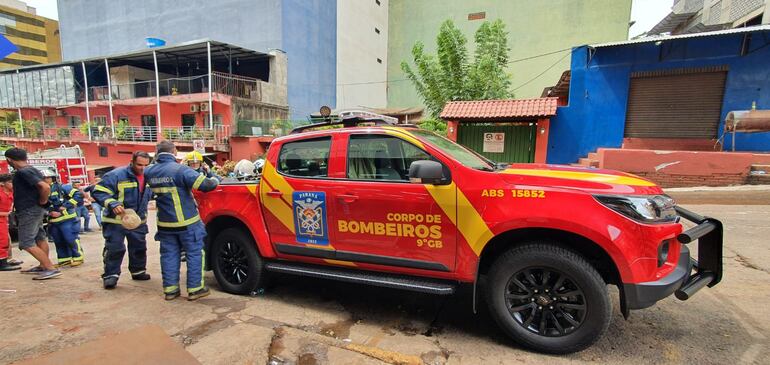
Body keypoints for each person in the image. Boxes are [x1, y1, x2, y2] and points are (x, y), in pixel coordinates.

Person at [145, 141, 218, 300]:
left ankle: (170, 290)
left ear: (157, 153)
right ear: (175, 151)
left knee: (169, 255)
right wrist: (215, 179)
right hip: (187, 223)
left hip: (165, 224)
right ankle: (195, 289)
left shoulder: (149, 172)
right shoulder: (180, 170)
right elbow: (205, 185)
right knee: (194, 254)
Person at [92, 151, 153, 289]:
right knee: (115, 248)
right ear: (131, 162)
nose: (142, 168)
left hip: (138, 221)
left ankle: (138, 271)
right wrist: (112, 203)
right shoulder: (116, 175)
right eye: (139, 165)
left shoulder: (149, 176)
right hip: (116, 221)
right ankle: (110, 275)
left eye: (146, 165)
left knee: (139, 247)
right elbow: (98, 191)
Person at [4, 148, 61, 280]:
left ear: (9, 160)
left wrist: (43, 200)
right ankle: (43, 265)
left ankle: (50, 268)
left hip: (29, 210)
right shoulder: (32, 169)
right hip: (35, 209)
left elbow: (45, 187)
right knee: (39, 237)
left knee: (26, 242)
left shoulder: (23, 172)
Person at [44, 169, 84, 268]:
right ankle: (64, 259)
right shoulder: (42, 190)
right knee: (58, 240)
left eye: (47, 177)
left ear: (53, 178)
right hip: (53, 221)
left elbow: (78, 195)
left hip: (67, 219)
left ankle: (78, 257)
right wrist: (49, 213)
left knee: (70, 238)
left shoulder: (63, 187)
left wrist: (66, 205)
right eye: (43, 178)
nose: (45, 180)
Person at [0, 173, 19, 271]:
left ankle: (6, 260)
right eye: (10, 182)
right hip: (2, 218)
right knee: (2, 241)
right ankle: (2, 264)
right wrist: (5, 214)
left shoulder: (11, 192)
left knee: (6, 240)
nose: (12, 184)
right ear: (2, 184)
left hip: (5, 219)